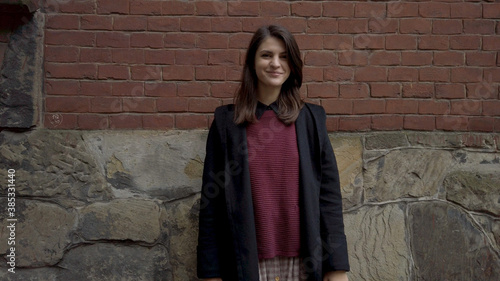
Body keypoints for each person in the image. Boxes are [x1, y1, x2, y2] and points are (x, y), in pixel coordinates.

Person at [197, 25, 350, 281]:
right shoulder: (227, 124)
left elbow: (329, 200)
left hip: (304, 262)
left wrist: (337, 269)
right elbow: (211, 206)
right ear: (252, 62)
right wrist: (210, 274)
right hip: (246, 264)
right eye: (266, 55)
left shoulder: (311, 120)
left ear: (293, 64)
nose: (275, 63)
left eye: (284, 56)